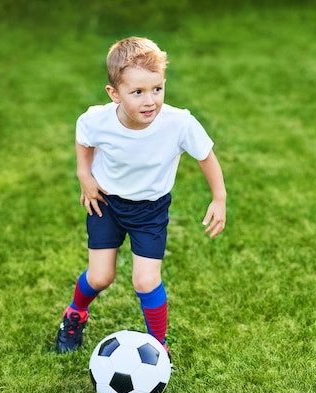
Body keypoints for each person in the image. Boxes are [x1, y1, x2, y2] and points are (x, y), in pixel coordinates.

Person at [55, 36, 227, 357]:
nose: (150, 100)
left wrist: (219, 198)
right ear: (114, 93)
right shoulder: (98, 119)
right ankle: (75, 314)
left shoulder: (179, 123)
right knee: (100, 276)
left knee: (146, 281)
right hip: (105, 203)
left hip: (150, 209)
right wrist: (84, 175)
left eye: (157, 89)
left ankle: (158, 348)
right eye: (137, 92)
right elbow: (84, 136)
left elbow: (206, 155)